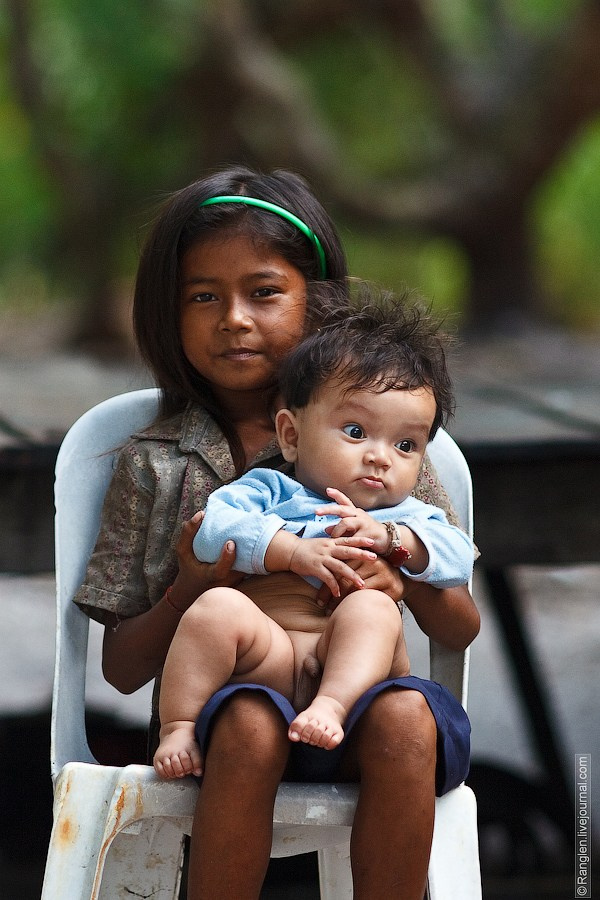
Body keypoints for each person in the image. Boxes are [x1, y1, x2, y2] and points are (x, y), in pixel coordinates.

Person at [73, 166, 480, 900]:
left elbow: (463, 620)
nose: (234, 318)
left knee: (408, 719)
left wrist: (401, 577)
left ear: (317, 304)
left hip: (360, 715)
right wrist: (191, 589)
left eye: (264, 292)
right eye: (203, 296)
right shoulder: (156, 465)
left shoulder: (381, 448)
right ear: (168, 313)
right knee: (250, 726)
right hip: (220, 725)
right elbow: (123, 671)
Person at [153, 295, 475, 778]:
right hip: (268, 660)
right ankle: (178, 725)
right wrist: (292, 550)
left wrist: (393, 541)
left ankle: (330, 706)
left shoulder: (409, 513)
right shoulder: (268, 490)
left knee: (371, 609)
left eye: (406, 444)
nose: (380, 456)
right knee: (216, 608)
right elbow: (212, 531)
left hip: (351, 678)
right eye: (355, 430)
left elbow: (458, 558)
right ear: (291, 435)